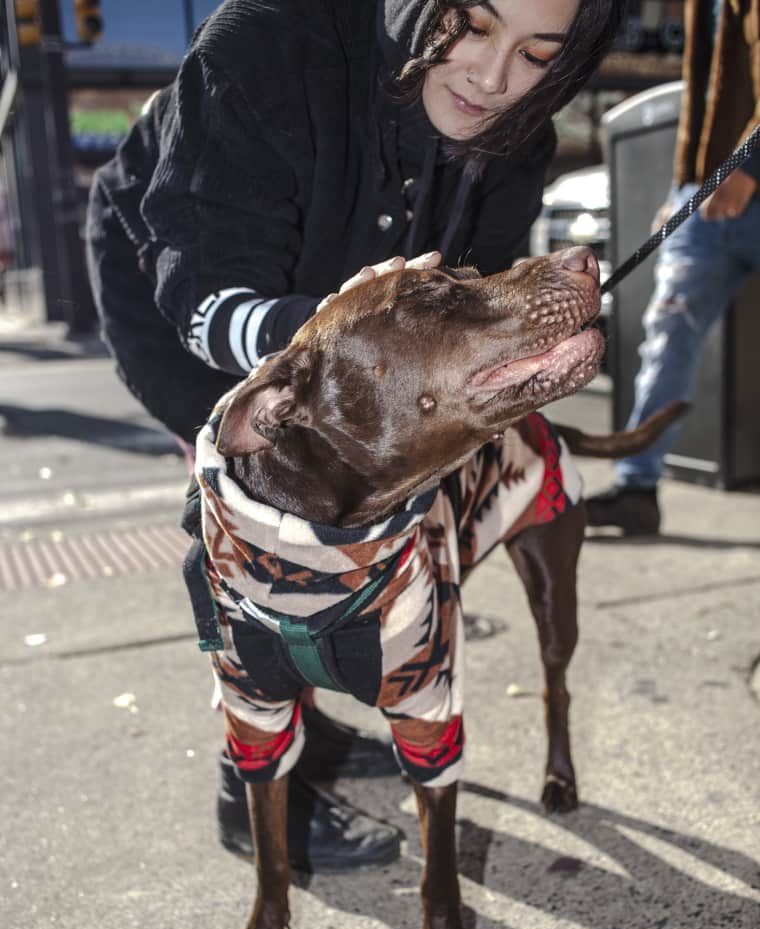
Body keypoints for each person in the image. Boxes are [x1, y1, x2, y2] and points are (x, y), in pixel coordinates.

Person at [86, 0, 624, 870]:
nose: (494, 81)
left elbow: (465, 324)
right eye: (474, 27)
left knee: (354, 526)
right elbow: (206, 294)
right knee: (244, 517)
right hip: (197, 306)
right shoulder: (268, 37)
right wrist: (333, 349)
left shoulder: (520, 142)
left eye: (536, 55)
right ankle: (256, 782)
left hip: (360, 334)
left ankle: (322, 715)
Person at [586, 0, 760, 535]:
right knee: (668, 329)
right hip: (707, 195)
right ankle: (637, 489)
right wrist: (685, 181)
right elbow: (710, 86)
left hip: (743, 174)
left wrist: (747, 166)